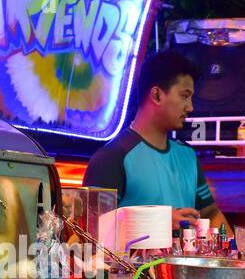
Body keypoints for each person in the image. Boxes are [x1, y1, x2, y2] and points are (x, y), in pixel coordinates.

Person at [82, 49, 229, 233]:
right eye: (184, 96)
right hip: (133, 263)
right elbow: (90, 228)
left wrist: (239, 257)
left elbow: (211, 213)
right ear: (157, 95)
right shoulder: (112, 157)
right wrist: (157, 222)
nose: (190, 107)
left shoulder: (188, 156)